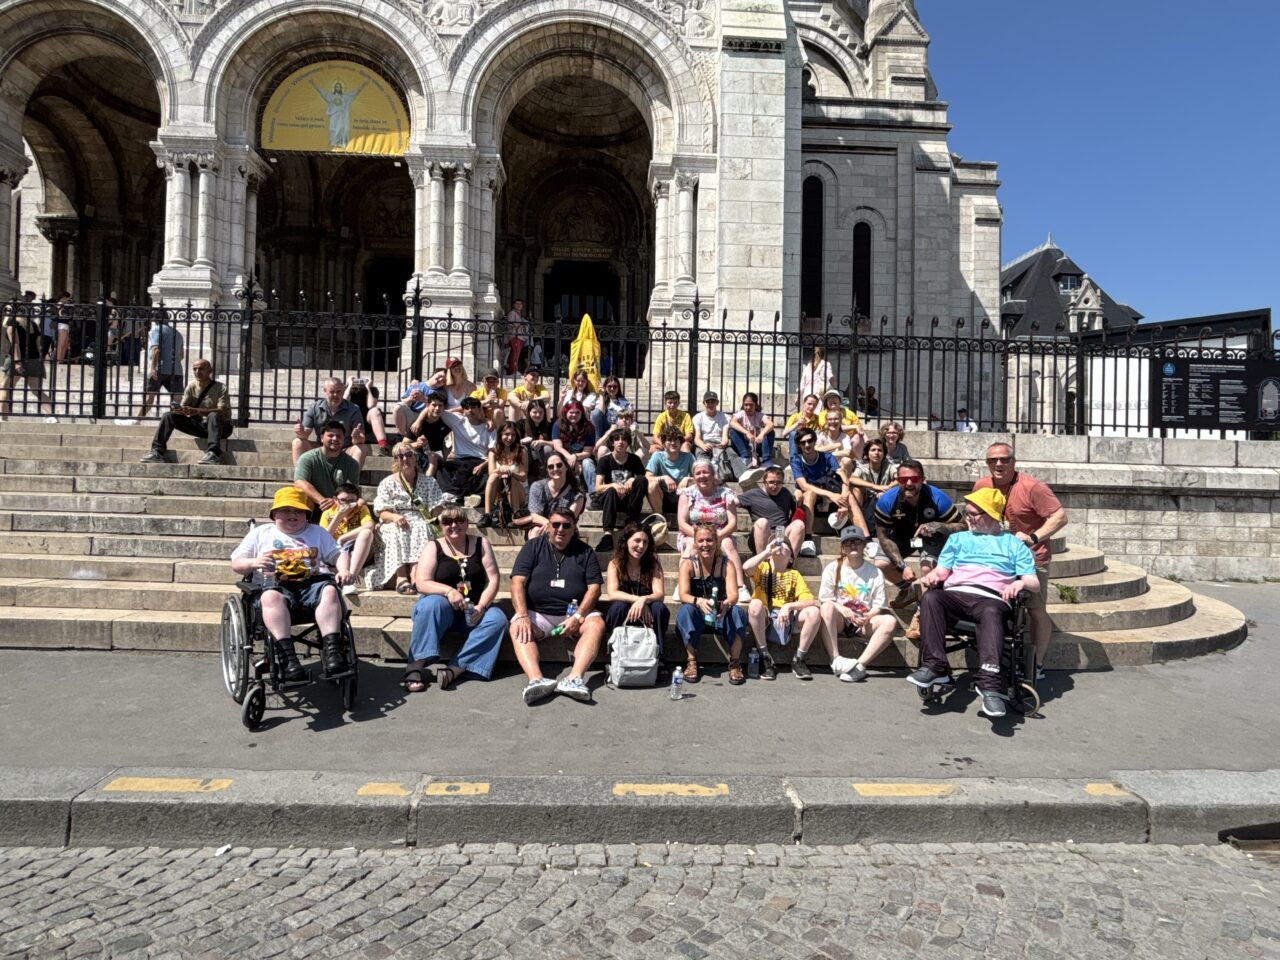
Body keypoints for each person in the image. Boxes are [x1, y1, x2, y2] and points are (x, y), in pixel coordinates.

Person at [909, 488, 1040, 719]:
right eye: (967, 513)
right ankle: (935, 666)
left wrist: (1020, 583)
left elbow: (1034, 583)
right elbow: (942, 571)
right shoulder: (957, 539)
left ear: (991, 514)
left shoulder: (1013, 544)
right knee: (931, 597)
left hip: (991, 598)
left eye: (973, 514)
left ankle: (990, 685)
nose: (968, 518)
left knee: (990, 611)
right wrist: (933, 576)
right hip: (956, 595)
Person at [230, 486, 355, 681]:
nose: (292, 515)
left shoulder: (317, 532)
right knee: (270, 597)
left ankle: (333, 651)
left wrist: (344, 570)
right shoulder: (261, 534)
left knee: (330, 590)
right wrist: (254, 562)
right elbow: (236, 563)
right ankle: (288, 658)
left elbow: (338, 554)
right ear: (274, 514)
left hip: (310, 585)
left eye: (298, 510)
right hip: (274, 587)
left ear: (307, 514)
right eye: (286, 510)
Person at [973, 442, 1067, 675]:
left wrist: (1033, 537)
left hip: (1032, 558)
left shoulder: (1033, 487)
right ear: (987, 463)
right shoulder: (982, 485)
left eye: (1004, 459)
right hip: (995, 558)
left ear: (1013, 462)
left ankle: (1037, 663)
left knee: (1036, 610)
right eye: (993, 460)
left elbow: (1060, 517)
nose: (999, 464)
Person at [509, 507, 605, 704]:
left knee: (597, 624)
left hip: (573, 613)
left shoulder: (585, 552)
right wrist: (523, 615)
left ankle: (574, 678)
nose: (560, 529)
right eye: (556, 524)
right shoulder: (533, 547)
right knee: (517, 626)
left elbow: (595, 589)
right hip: (538, 614)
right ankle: (536, 680)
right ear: (548, 525)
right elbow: (517, 582)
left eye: (566, 525)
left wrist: (578, 616)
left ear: (574, 527)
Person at [405, 505, 507, 692]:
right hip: (442, 610)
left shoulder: (481, 543)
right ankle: (415, 665)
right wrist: (448, 591)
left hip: (472, 609)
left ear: (467, 523)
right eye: (448, 522)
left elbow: (493, 580)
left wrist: (482, 606)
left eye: (459, 520)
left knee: (497, 618)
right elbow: (421, 582)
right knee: (431, 604)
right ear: (441, 525)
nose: (454, 525)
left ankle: (455, 669)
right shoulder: (433, 546)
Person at [872, 459, 964, 618]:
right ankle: (907, 590)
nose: (909, 483)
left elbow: (963, 526)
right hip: (901, 536)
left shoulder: (937, 498)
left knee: (926, 568)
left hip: (931, 537)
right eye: (903, 479)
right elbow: (883, 537)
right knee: (881, 564)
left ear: (922, 480)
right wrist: (902, 566)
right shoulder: (887, 501)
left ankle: (922, 612)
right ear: (897, 480)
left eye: (914, 479)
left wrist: (939, 526)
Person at [818, 526, 897, 682]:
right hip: (840, 620)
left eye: (857, 542)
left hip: (863, 621)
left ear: (864, 545)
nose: (853, 546)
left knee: (890, 621)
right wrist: (842, 609)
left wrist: (867, 616)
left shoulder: (875, 572)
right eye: (848, 543)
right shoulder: (832, 568)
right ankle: (835, 659)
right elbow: (825, 598)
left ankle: (859, 666)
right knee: (826, 607)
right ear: (842, 547)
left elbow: (879, 605)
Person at [368, 440, 445, 594]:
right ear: (395, 460)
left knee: (422, 527)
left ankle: (416, 575)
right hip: (395, 519)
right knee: (396, 530)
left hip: (421, 518)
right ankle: (401, 576)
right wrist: (394, 517)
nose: (405, 459)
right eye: (400, 456)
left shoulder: (429, 482)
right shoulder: (387, 483)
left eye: (409, 455)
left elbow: (437, 510)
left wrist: (441, 526)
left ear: (415, 457)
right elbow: (382, 512)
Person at [676, 522, 748, 684]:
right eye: (701, 541)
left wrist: (726, 604)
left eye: (709, 540)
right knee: (685, 611)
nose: (705, 544)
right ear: (695, 543)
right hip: (698, 615)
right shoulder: (688, 564)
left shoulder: (726, 564)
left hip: (720, 614)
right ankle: (691, 661)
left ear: (716, 542)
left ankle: (735, 663)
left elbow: (733, 595)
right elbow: (683, 594)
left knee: (738, 612)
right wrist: (698, 601)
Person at [744, 539, 820, 681]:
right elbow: (746, 567)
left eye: (784, 547)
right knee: (755, 604)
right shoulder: (762, 568)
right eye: (776, 546)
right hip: (765, 616)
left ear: (791, 557)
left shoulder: (794, 574)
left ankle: (799, 659)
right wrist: (766, 551)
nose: (779, 548)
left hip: (787, 618)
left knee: (814, 612)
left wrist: (788, 606)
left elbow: (810, 601)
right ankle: (765, 657)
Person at [677, 458, 748, 602]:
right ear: (693, 476)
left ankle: (740, 586)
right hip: (693, 533)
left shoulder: (726, 493)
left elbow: (733, 523)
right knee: (691, 544)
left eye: (705, 472)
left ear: (713, 474)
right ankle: (682, 585)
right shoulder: (687, 493)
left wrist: (717, 537)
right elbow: (682, 523)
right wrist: (698, 536)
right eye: (698, 473)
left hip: (721, 533)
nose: (702, 476)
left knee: (728, 544)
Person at [140, 358, 233, 465]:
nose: (197, 372)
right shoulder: (192, 386)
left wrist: (197, 411)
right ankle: (157, 451)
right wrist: (180, 410)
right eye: (195, 369)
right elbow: (184, 406)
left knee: (213, 415)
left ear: (210, 371)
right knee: (168, 415)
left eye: (201, 369)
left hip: (221, 428)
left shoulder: (221, 387)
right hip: (200, 426)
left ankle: (213, 453)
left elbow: (222, 411)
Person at [603, 522, 670, 658]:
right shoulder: (615, 564)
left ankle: (657, 655)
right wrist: (638, 600)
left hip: (647, 615)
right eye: (637, 540)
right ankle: (614, 654)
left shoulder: (653, 565)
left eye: (645, 542)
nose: (641, 546)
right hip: (625, 612)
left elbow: (659, 594)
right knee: (618, 607)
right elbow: (612, 593)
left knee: (659, 608)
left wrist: (644, 600)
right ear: (626, 541)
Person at [791, 428, 858, 555]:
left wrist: (843, 499)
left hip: (828, 493)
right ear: (798, 445)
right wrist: (831, 495)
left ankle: (864, 537)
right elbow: (804, 486)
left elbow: (843, 477)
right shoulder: (796, 460)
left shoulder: (827, 457)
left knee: (850, 496)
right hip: (813, 496)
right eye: (803, 442)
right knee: (809, 494)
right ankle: (808, 539)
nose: (807, 445)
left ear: (815, 441)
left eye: (810, 441)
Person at [0, 292, 54, 418]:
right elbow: (39, 345)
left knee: (4, 388)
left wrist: (17, 362)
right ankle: (51, 416)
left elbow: (15, 344)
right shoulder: (33, 324)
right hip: (34, 359)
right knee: (37, 390)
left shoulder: (13, 323)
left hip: (17, 359)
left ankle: (3, 418)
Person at [292, 378, 366, 468]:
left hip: (344, 450)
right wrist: (300, 432)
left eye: (338, 392)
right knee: (297, 442)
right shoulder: (314, 407)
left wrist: (357, 438)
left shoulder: (354, 409)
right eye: (332, 392)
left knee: (361, 448)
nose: (335, 395)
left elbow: (361, 438)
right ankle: (301, 474)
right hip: (321, 449)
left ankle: (352, 476)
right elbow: (305, 434)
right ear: (325, 391)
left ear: (343, 391)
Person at [593, 429, 648, 552]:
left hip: (629, 500)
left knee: (641, 480)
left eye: (624, 439)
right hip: (611, 499)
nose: (620, 442)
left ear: (628, 443)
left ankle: (632, 520)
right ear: (612, 443)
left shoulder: (634, 459)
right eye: (617, 439)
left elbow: (643, 480)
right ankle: (608, 535)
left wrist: (633, 479)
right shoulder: (605, 460)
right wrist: (613, 485)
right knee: (611, 491)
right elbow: (598, 488)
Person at [318, 482, 375, 598]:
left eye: (351, 501)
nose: (347, 504)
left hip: (357, 549)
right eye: (343, 500)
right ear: (335, 500)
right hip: (336, 552)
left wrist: (343, 538)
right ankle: (346, 577)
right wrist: (339, 516)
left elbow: (369, 525)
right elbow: (324, 538)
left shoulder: (360, 509)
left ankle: (350, 578)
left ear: (357, 500)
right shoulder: (328, 513)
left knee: (366, 533)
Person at [294, 420, 362, 512]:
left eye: (339, 436)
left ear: (343, 439)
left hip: (339, 505)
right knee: (303, 498)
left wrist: (335, 502)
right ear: (322, 438)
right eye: (330, 435)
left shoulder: (352, 463)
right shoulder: (308, 458)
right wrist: (322, 501)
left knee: (361, 503)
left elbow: (351, 490)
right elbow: (299, 482)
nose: (335, 438)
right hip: (315, 503)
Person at [739, 465, 806, 557]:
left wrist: (799, 493)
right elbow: (732, 502)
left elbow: (797, 509)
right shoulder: (753, 494)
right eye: (771, 482)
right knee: (762, 522)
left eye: (779, 482)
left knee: (799, 524)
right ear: (764, 482)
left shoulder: (785, 493)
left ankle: (789, 562)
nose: (775, 486)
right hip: (761, 535)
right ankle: (763, 562)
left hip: (781, 535)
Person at [437, 396, 495, 502]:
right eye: (467, 408)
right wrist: (461, 409)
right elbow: (440, 411)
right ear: (463, 410)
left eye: (473, 407)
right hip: (460, 459)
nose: (470, 410)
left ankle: (455, 492)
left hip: (480, 459)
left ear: (480, 409)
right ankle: (450, 492)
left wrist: (483, 465)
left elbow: (493, 452)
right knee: (441, 466)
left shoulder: (489, 428)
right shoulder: (457, 421)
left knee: (473, 470)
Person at [518, 449, 585, 537]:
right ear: (547, 470)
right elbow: (534, 515)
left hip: (564, 531)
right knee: (536, 531)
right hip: (541, 527)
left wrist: (550, 525)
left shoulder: (577, 495)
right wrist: (548, 523)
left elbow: (566, 520)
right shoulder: (538, 487)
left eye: (559, 465)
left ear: (566, 467)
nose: (555, 469)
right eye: (550, 467)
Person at [136, 313, 185, 418]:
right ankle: (174, 420)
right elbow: (181, 355)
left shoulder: (157, 330)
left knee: (149, 397)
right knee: (176, 399)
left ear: (155, 320)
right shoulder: (178, 333)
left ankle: (137, 419)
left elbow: (156, 350)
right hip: (176, 370)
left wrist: (153, 368)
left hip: (160, 369)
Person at [481, 420, 528, 527]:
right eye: (506, 434)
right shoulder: (493, 452)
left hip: (518, 493)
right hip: (500, 493)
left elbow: (523, 477)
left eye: (513, 435)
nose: (510, 438)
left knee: (511, 478)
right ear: (500, 435)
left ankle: (516, 514)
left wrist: (511, 472)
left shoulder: (522, 451)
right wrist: (501, 470)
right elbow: (491, 472)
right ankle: (487, 515)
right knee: (493, 476)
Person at [727, 391, 776, 483]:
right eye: (746, 405)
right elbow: (732, 422)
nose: (748, 407)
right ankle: (745, 458)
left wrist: (761, 435)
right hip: (744, 447)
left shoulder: (760, 415)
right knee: (733, 430)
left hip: (757, 445)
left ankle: (766, 461)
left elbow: (770, 424)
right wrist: (746, 433)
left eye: (751, 405)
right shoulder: (741, 414)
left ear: (756, 405)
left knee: (770, 432)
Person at [645, 427, 695, 515]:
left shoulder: (689, 457)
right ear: (663, 443)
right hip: (662, 497)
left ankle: (688, 517)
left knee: (693, 484)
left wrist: (687, 479)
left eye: (676, 440)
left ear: (681, 443)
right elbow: (647, 477)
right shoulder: (657, 456)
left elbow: (699, 478)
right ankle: (659, 517)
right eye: (669, 440)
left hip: (682, 496)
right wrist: (664, 478)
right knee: (652, 485)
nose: (673, 443)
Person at [550, 399, 597, 493]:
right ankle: (555, 489)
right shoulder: (558, 425)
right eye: (571, 412)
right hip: (564, 455)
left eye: (577, 412)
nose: (574, 415)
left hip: (582, 457)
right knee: (556, 460)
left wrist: (575, 457)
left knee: (588, 463)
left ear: (582, 413)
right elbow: (558, 447)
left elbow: (587, 452)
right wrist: (570, 458)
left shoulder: (589, 427)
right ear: (566, 412)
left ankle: (594, 493)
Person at [405, 389, 451, 475]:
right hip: (419, 457)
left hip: (437, 457)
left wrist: (446, 460)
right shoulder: (417, 425)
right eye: (434, 405)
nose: (437, 408)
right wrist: (417, 444)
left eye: (440, 405)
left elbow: (447, 447)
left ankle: (427, 481)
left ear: (444, 407)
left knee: (433, 456)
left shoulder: (446, 423)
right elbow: (403, 446)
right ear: (428, 405)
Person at [847, 437, 893, 519]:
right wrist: (875, 486)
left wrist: (887, 489)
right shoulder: (863, 468)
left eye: (880, 450)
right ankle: (858, 521)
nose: (876, 453)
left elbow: (900, 479)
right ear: (867, 454)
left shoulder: (889, 467)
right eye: (873, 450)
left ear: (884, 454)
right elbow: (852, 479)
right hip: (866, 501)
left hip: (885, 499)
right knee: (855, 489)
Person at [692, 391, 733, 477]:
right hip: (705, 443)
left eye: (713, 402)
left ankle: (742, 474)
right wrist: (703, 445)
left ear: (717, 403)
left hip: (719, 443)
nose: (710, 404)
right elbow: (697, 438)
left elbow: (725, 437)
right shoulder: (698, 417)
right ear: (704, 403)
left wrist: (723, 444)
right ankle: (707, 476)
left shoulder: (725, 417)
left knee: (732, 454)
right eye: (708, 402)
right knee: (702, 458)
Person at [347, 379, 390, 455]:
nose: (360, 382)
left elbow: (371, 405)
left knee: (375, 411)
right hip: (352, 420)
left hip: (366, 421)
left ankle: (383, 446)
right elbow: (344, 401)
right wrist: (349, 385)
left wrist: (368, 387)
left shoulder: (373, 390)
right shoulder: (347, 389)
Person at [517, 397, 554, 480]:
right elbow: (511, 442)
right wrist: (521, 441)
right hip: (527, 461)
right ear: (528, 412)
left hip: (542, 458)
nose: (538, 415)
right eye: (534, 412)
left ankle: (545, 475)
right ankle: (525, 476)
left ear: (544, 412)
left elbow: (557, 444)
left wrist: (543, 442)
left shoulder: (549, 425)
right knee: (524, 449)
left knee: (547, 449)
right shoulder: (521, 424)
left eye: (541, 412)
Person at [781, 392, 820, 460]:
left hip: (810, 445)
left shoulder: (817, 418)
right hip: (798, 445)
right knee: (793, 434)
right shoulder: (795, 416)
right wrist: (797, 424)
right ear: (804, 403)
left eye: (814, 405)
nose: (811, 407)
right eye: (809, 404)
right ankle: (794, 461)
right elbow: (784, 433)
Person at [504, 298, 528, 374]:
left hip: (519, 337)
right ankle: (512, 371)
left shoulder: (519, 315)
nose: (518, 305)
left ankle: (513, 370)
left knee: (516, 355)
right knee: (515, 354)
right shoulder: (512, 313)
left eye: (520, 304)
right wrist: (521, 324)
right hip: (515, 336)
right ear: (514, 305)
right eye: (517, 304)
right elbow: (510, 325)